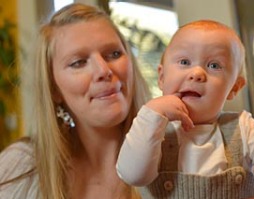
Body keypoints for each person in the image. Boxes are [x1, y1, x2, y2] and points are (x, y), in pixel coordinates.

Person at [116, 19, 254, 198]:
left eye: (214, 65)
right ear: (162, 77)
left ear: (234, 87)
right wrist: (151, 114)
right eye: (184, 62)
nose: (196, 74)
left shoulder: (243, 127)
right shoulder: (153, 128)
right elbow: (133, 175)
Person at [0, 3, 150, 199]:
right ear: (54, 90)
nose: (103, 70)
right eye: (78, 62)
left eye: (114, 54)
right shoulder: (22, 167)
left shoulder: (178, 154)